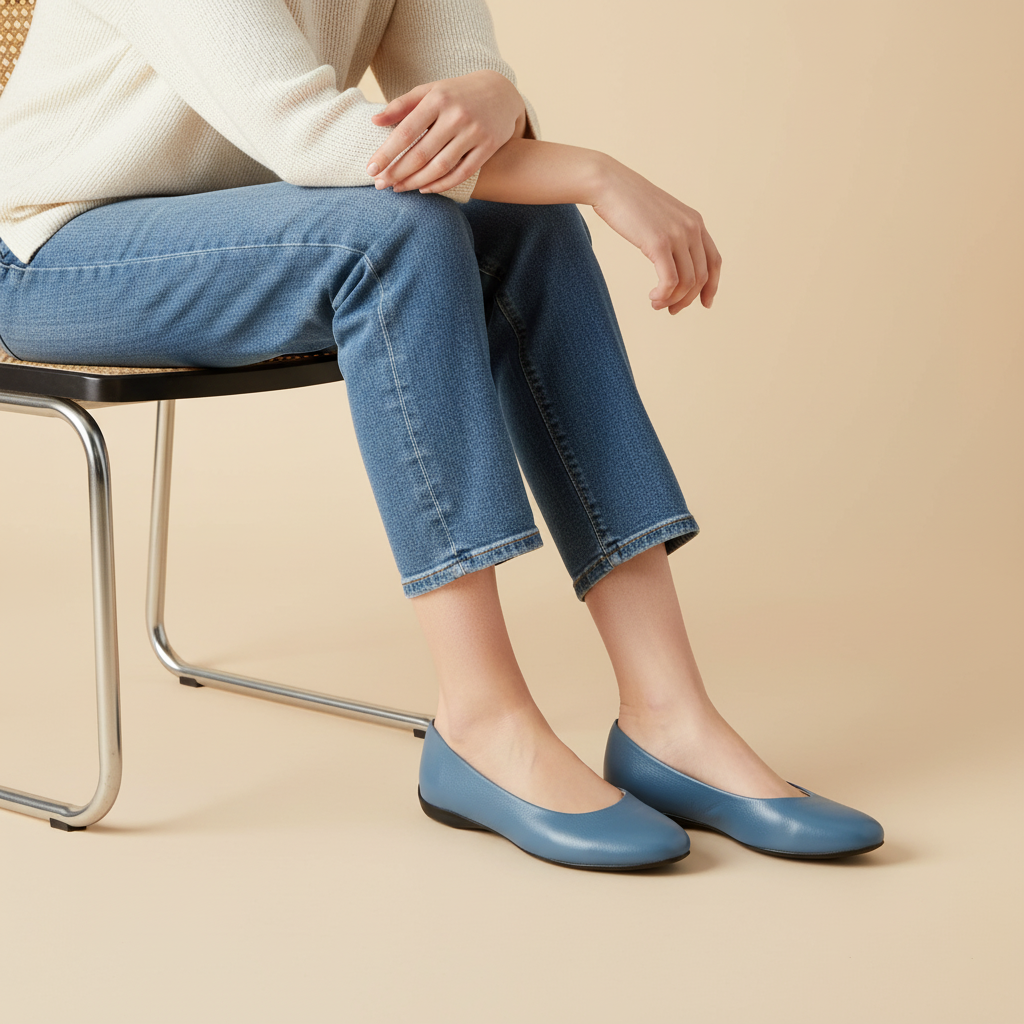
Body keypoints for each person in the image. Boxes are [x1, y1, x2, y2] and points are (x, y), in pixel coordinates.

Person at [0, 0, 882, 869]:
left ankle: (669, 715)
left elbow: (452, 117)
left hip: (236, 224)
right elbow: (316, 137)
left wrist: (495, 100)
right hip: (53, 249)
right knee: (396, 235)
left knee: (526, 225)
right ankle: (480, 719)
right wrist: (600, 171)